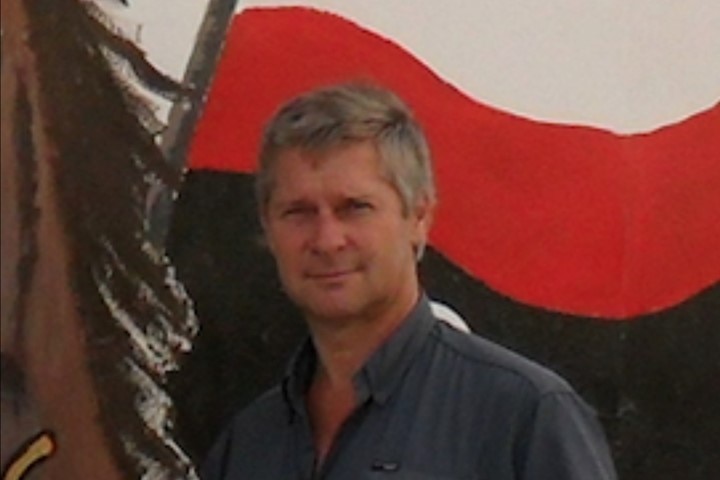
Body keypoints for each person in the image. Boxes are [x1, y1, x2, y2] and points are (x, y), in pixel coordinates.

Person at [200, 83, 617, 479]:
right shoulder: (248, 445)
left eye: (355, 207)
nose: (327, 240)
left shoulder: (523, 417)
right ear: (267, 228)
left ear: (419, 217)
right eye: (298, 212)